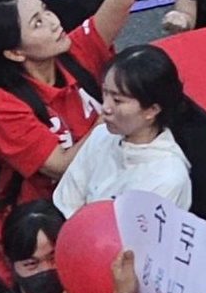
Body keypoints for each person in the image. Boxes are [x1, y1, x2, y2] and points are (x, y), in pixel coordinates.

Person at [0, 0, 151, 280]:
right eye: (37, 23)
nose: (54, 22)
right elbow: (63, 166)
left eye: (46, 12)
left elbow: (118, 3)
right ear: (15, 53)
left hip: (108, 197)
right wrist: (112, 117)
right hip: (50, 233)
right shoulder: (4, 105)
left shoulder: (74, 52)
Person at [53, 43, 193, 215]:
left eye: (117, 100)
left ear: (152, 110)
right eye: (105, 93)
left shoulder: (167, 178)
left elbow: (133, 238)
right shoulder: (100, 134)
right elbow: (66, 203)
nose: (106, 107)